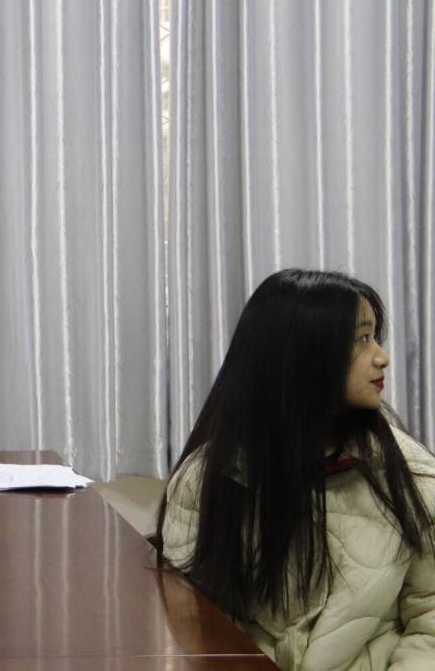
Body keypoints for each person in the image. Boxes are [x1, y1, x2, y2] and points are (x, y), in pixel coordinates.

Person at [155, 269, 435, 669]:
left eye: (375, 337)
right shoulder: (208, 479)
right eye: (361, 339)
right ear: (302, 357)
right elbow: (192, 623)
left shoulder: (411, 475)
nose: (381, 357)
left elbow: (430, 622)